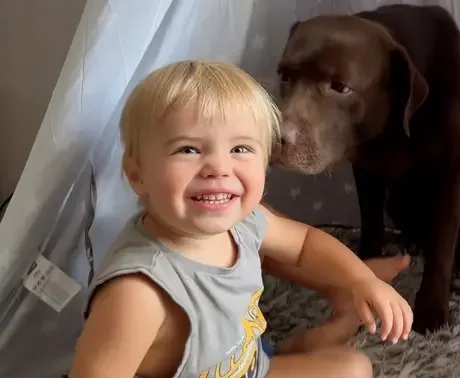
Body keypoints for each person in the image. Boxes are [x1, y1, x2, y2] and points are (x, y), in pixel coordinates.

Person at [68, 60, 413, 378]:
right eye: (188, 149)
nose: (219, 168)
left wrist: (360, 281)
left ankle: (313, 334)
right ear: (137, 174)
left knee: (354, 369)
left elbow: (305, 244)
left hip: (248, 362)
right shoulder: (140, 292)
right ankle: (317, 337)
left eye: (240, 149)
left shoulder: (243, 220)